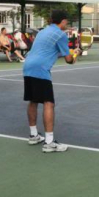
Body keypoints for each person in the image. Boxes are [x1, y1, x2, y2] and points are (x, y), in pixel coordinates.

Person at [23, 10, 76, 153]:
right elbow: (68, 60)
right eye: (66, 21)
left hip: (28, 66)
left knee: (33, 101)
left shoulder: (42, 32)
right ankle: (49, 142)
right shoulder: (61, 35)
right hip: (40, 69)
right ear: (63, 21)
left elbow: (47, 49)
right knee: (48, 103)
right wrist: (75, 54)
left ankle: (33, 135)